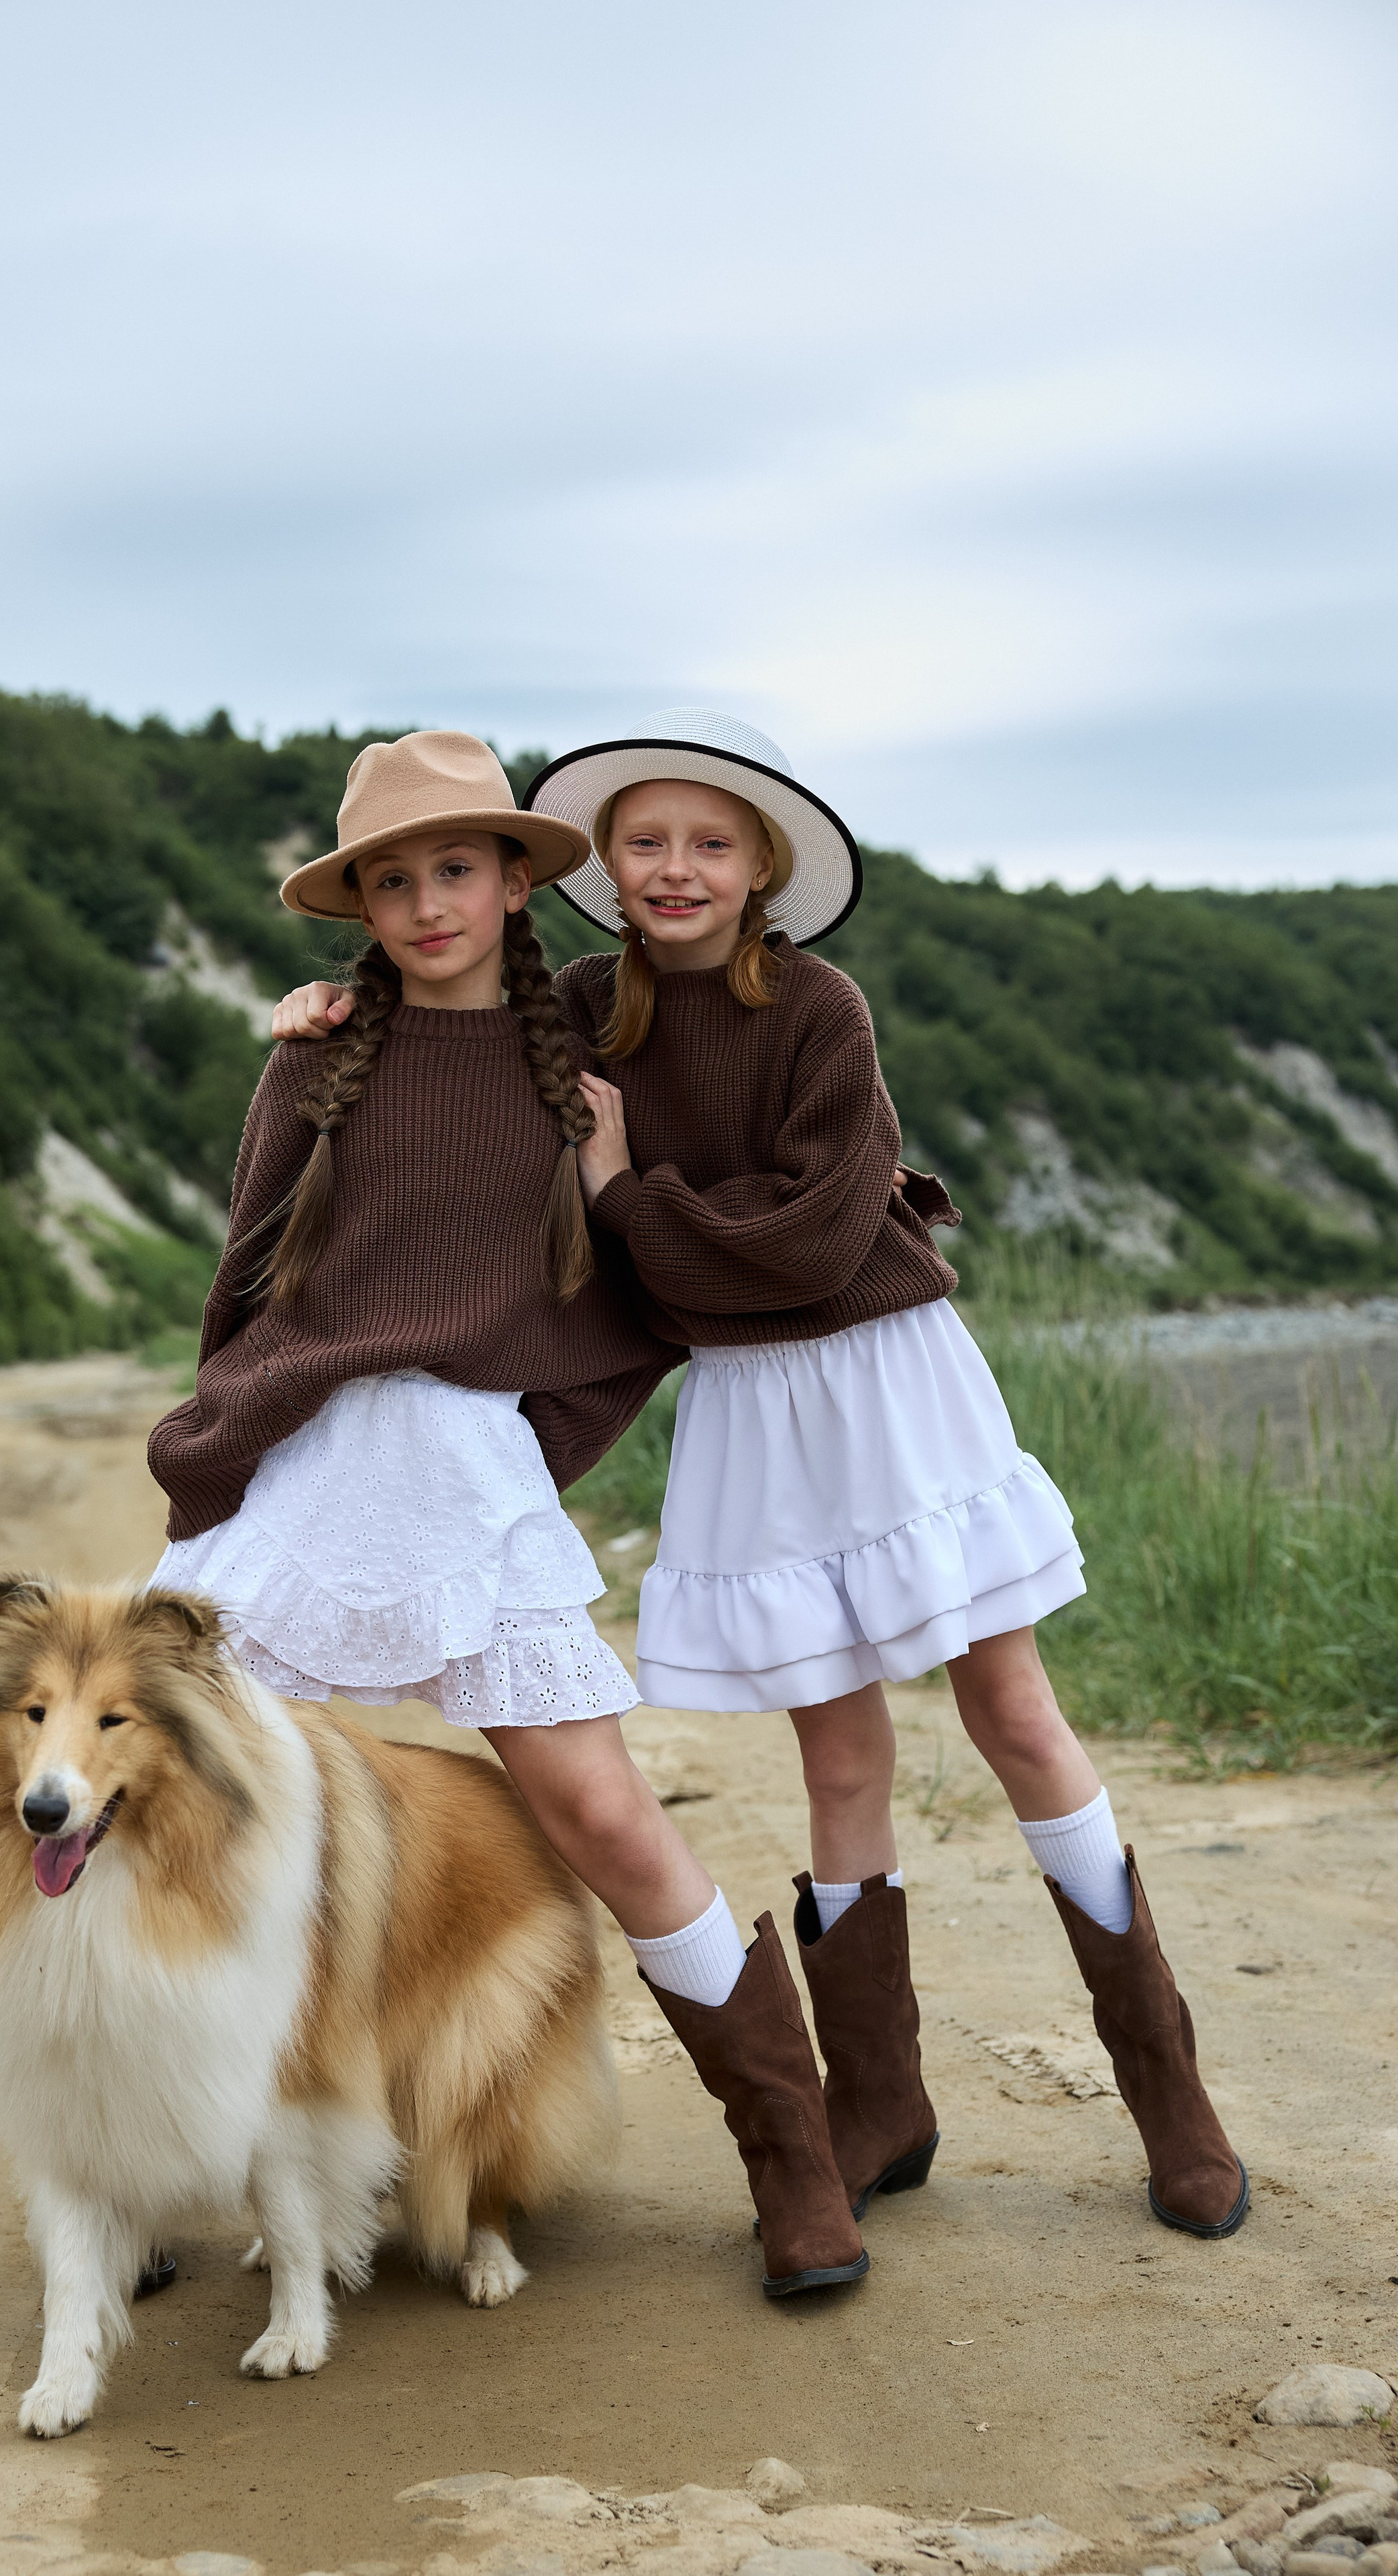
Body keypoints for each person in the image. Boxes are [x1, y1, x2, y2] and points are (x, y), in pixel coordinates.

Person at [270, 710, 1248, 2246]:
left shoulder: (817, 1009)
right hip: (746, 1402)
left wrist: (624, 1195)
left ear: (760, 866)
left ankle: (1165, 2092)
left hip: (887, 1375)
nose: (675, 869)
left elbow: (803, 1244)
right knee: (837, 1760)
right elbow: (454, 1049)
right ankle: (876, 2105)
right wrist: (339, 1007)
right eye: (645, 842)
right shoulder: (578, 1016)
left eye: (709, 843)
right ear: (602, 870)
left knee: (1010, 1712)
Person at [150, 728, 872, 2298]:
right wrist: (210, 1456)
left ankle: (792, 2156)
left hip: (467, 1477)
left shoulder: (584, 1058)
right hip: (297, 1470)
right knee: (191, 1816)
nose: (427, 906)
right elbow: (245, 1277)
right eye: (391, 882)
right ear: (360, 906)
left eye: (455, 870)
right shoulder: (316, 1056)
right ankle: (157, 2179)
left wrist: (541, 1438)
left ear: (514, 881)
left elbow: (637, 1276)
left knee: (600, 1814)